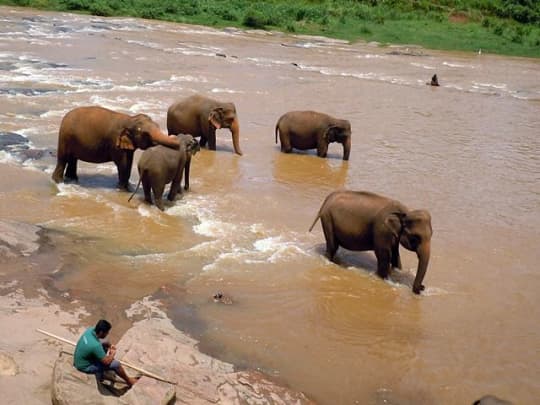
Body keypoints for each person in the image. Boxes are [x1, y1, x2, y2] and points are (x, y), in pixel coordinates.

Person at [73, 319, 139, 387]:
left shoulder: (90, 330)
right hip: (84, 367)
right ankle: (129, 381)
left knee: (105, 343)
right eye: (107, 332)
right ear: (101, 332)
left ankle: (102, 371)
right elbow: (107, 362)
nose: (108, 334)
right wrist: (112, 354)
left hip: (79, 360)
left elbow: (103, 342)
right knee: (116, 364)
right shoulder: (95, 346)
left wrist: (110, 345)